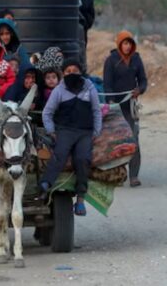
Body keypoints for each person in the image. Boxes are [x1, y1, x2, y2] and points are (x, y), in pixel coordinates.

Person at [38, 59, 102, 216]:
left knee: (82, 159)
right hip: (65, 130)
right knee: (60, 154)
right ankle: (46, 183)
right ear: (63, 74)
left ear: (81, 72)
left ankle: (80, 199)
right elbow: (47, 113)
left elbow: (96, 111)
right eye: (68, 71)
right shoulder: (59, 90)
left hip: (84, 132)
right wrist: (51, 130)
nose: (72, 74)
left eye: (75, 71)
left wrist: (96, 131)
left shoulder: (89, 87)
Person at [102, 30, 148, 187]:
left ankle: (134, 176)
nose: (128, 47)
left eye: (130, 44)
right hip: (116, 107)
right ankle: (117, 175)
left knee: (133, 139)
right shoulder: (111, 60)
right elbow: (107, 84)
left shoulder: (136, 59)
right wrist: (111, 102)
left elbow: (143, 81)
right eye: (125, 43)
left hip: (130, 106)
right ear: (120, 44)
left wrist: (139, 90)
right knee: (117, 142)